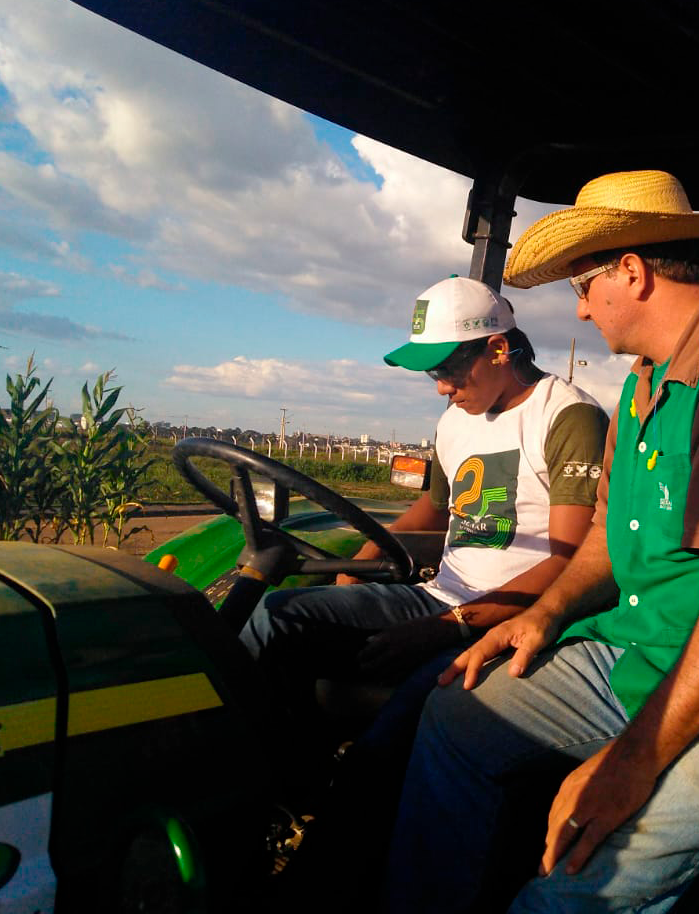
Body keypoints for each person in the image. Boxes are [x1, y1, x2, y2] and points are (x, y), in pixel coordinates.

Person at [383, 170, 699, 914]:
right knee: (457, 717)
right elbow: (604, 534)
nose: (583, 311)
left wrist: (631, 764)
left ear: (634, 270)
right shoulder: (644, 384)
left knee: (576, 888)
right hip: (647, 650)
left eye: (583, 288)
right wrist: (544, 614)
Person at [240, 275, 607, 753]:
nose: (441, 388)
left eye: (448, 370)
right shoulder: (455, 420)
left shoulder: (567, 416)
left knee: (394, 730)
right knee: (275, 615)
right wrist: (362, 559)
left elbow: (569, 560)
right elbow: (435, 506)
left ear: (498, 349)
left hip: (510, 619)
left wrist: (449, 625)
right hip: (440, 595)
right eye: (432, 374)